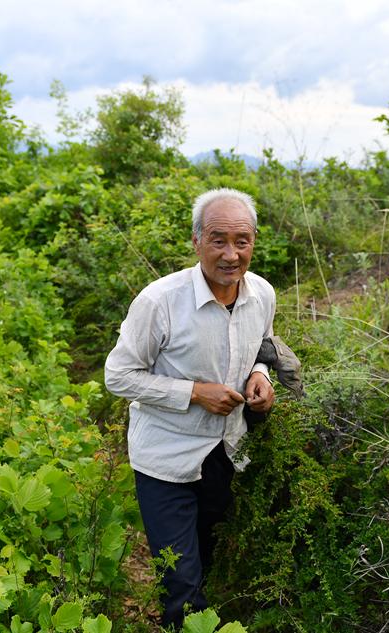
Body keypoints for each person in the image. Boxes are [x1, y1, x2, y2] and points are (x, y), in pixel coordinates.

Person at [104, 188, 276, 630]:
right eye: (218, 240)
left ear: (254, 242)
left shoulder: (261, 294)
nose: (231, 255)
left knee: (207, 561)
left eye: (241, 241)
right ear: (197, 240)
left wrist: (260, 375)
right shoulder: (159, 301)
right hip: (166, 459)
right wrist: (195, 393)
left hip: (226, 453)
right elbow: (118, 376)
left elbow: (261, 345)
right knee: (181, 583)